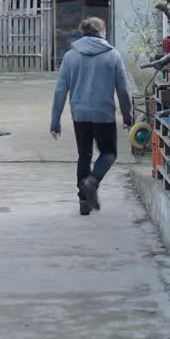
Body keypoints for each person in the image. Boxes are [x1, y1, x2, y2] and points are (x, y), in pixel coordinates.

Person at [50, 17, 133, 215]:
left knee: (84, 156)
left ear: (83, 33)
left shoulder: (70, 56)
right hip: (104, 114)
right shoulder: (113, 55)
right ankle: (92, 181)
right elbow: (123, 90)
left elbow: (60, 90)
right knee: (108, 153)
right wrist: (128, 116)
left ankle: (84, 203)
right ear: (103, 32)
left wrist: (55, 121)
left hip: (80, 114)